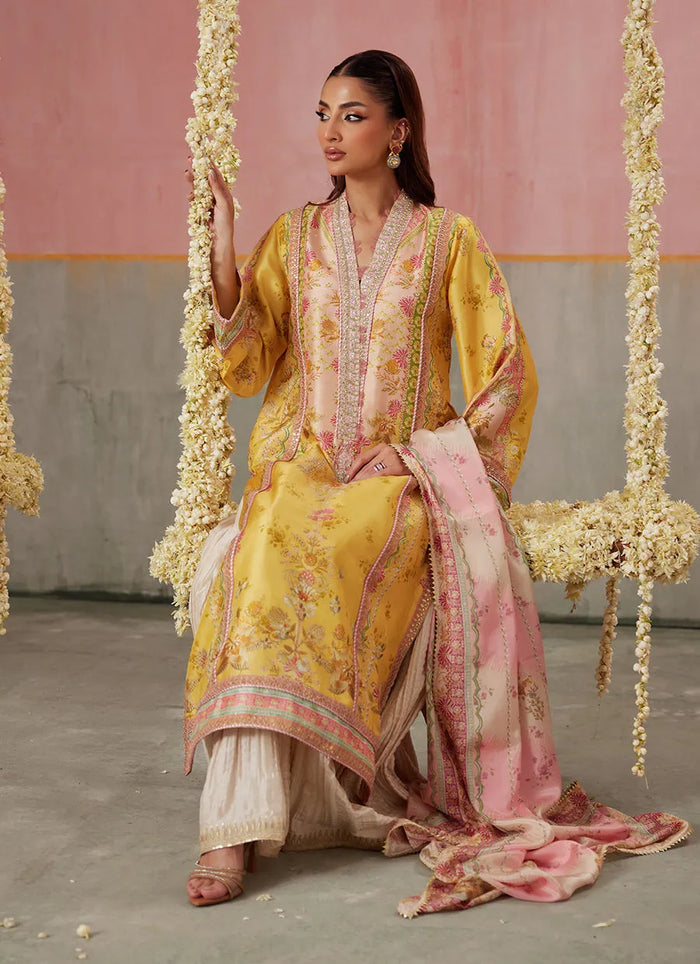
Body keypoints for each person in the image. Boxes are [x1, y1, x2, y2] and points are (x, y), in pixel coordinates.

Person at [184, 50, 688, 916]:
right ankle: (232, 825)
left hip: (398, 483)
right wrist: (223, 246)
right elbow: (245, 363)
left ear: (398, 131)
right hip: (301, 467)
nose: (330, 132)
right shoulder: (294, 237)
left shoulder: (449, 242)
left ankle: (258, 818)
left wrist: (418, 457)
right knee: (258, 550)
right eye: (322, 114)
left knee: (319, 547)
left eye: (351, 115)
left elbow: (507, 376)